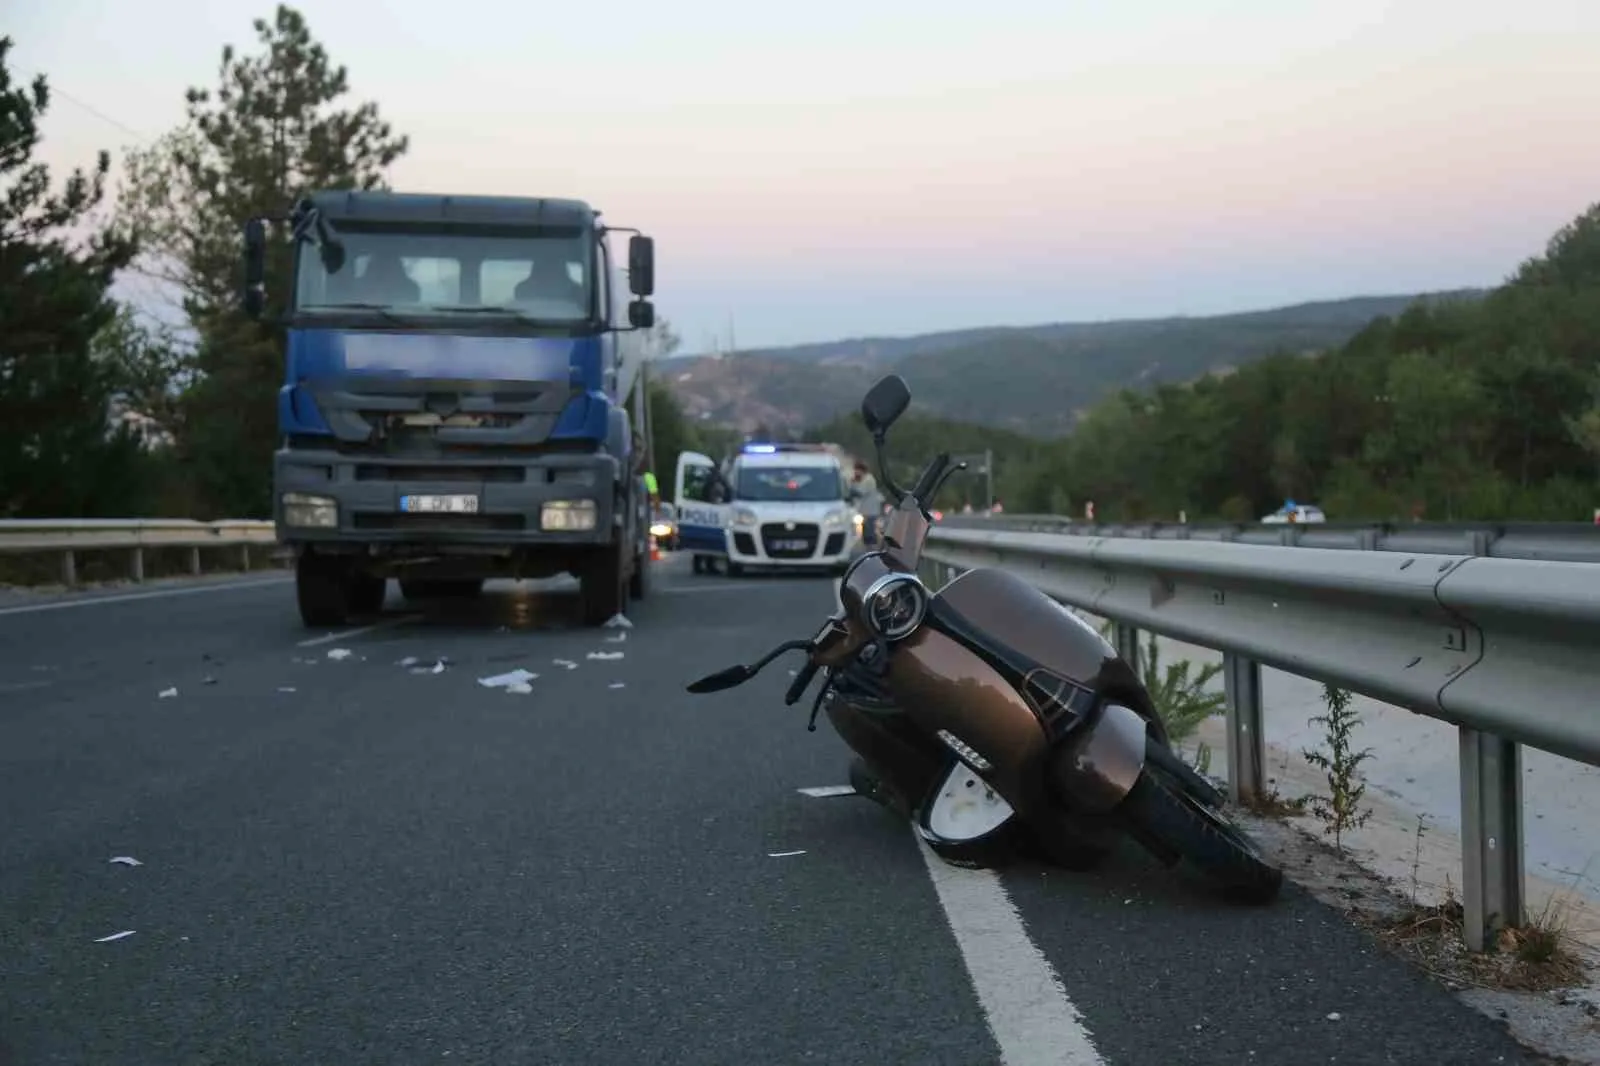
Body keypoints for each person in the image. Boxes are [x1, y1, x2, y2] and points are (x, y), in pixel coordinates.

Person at [849, 460, 883, 545]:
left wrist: (851, 487)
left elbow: (860, 492)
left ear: (861, 470)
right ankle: (869, 550)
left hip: (871, 511)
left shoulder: (868, 479)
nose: (855, 472)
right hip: (865, 511)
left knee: (870, 533)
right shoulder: (861, 479)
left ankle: (872, 551)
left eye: (857, 470)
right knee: (865, 533)